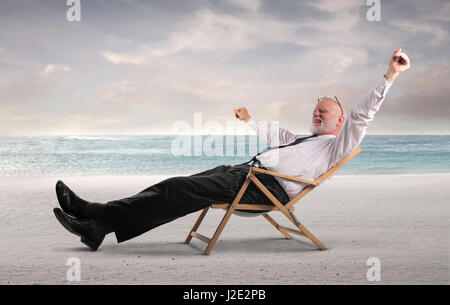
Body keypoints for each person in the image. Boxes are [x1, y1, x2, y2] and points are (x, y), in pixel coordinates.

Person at [53, 49, 411, 251]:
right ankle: (96, 220)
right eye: (315, 109)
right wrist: (249, 119)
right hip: (243, 172)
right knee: (173, 189)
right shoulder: (301, 140)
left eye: (325, 111)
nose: (317, 114)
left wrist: (389, 76)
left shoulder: (336, 145)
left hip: (262, 187)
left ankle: (97, 218)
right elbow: (275, 131)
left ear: (340, 119)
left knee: (178, 188)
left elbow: (363, 115)